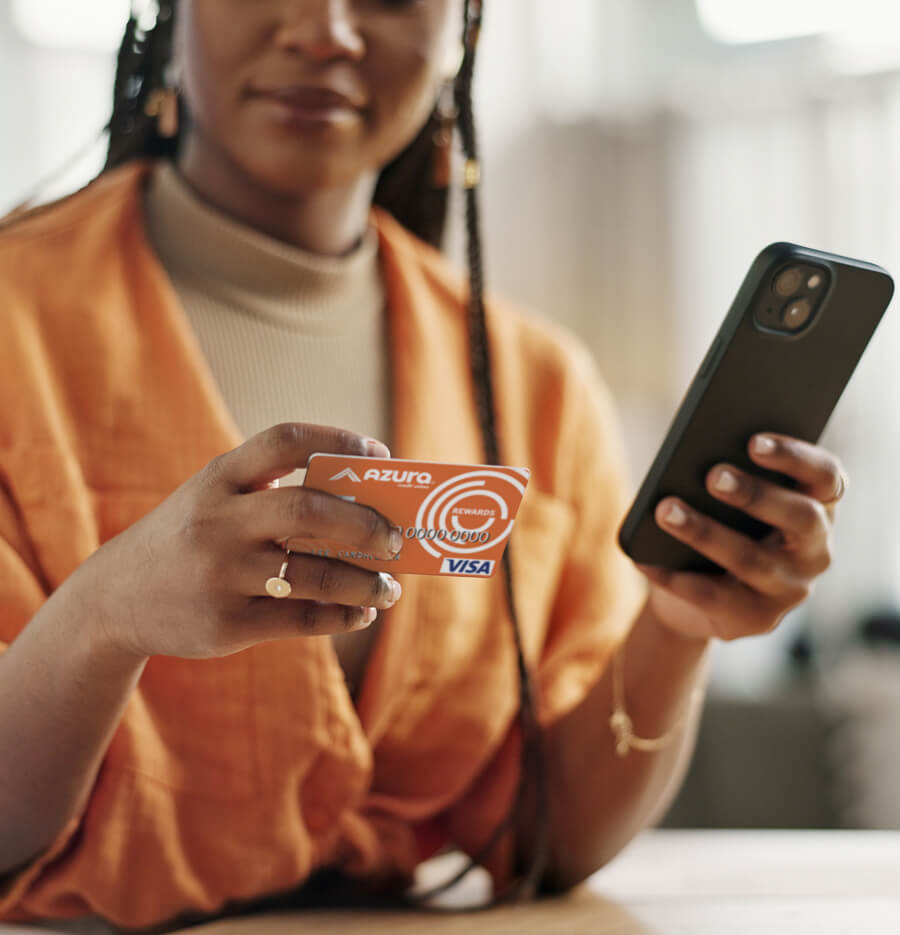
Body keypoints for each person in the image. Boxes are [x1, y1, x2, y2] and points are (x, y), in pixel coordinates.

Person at [0, 0, 846, 931]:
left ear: (464, 33)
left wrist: (677, 625)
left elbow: (546, 840)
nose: (325, 29)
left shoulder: (534, 383)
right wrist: (98, 619)